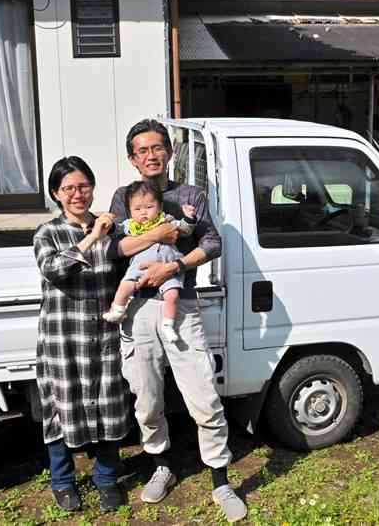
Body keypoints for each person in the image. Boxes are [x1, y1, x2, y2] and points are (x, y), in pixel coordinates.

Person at [109, 119, 247, 522]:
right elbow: (118, 247)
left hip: (181, 304)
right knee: (147, 399)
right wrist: (162, 235)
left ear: (169, 152)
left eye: (157, 148)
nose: (150, 156)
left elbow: (212, 242)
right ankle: (161, 466)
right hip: (137, 310)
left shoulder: (191, 194)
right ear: (132, 159)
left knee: (203, 396)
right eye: (141, 151)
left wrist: (175, 267)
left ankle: (220, 479)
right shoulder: (125, 196)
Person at [33, 156, 175, 513]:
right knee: (61, 408)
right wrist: (93, 237)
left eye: (83, 186)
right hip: (64, 337)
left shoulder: (115, 226)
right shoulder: (48, 232)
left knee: (111, 404)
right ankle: (62, 482)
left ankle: (107, 479)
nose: (78, 194)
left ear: (93, 188)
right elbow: (55, 270)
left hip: (108, 331)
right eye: (69, 188)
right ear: (56, 193)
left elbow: (141, 243)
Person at [102, 180, 196, 347]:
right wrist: (107, 224)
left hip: (169, 267)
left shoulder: (166, 221)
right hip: (139, 265)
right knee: (125, 286)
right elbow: (115, 231)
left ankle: (168, 325)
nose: (143, 213)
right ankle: (117, 310)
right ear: (130, 211)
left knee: (172, 296)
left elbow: (185, 230)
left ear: (159, 207)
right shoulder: (131, 225)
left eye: (149, 207)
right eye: (137, 209)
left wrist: (189, 218)